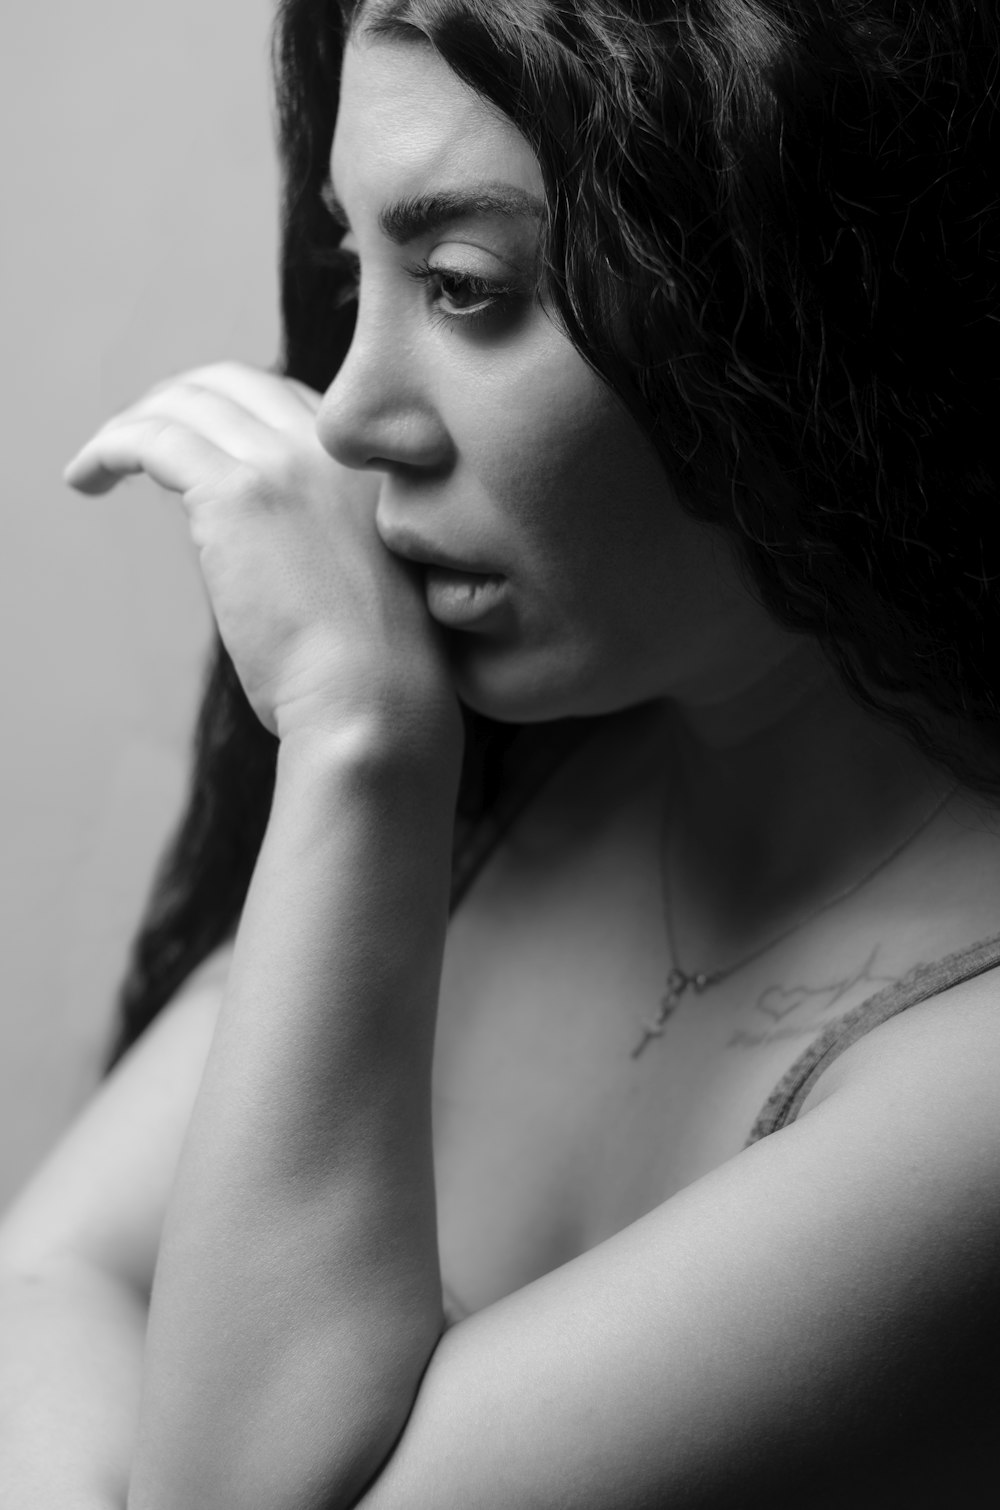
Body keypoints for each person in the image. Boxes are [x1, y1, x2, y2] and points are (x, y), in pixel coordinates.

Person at [3, 0, 1000, 1504]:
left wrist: (356, 745)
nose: (347, 414)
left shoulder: (967, 1091)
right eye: (358, 270)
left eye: (463, 287)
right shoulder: (516, 788)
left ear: (793, 310)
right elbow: (48, 1271)